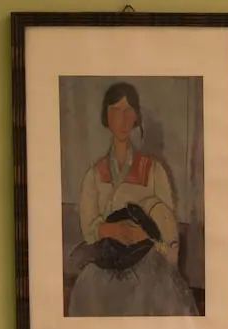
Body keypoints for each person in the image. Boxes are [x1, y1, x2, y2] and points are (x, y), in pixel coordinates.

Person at [67, 82, 198, 317]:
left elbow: (167, 228)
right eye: (115, 111)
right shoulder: (94, 175)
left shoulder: (154, 170)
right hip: (105, 263)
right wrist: (112, 230)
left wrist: (144, 234)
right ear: (106, 117)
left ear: (136, 116)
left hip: (147, 260)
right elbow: (89, 229)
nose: (122, 119)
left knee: (150, 296)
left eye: (128, 111)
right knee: (86, 291)